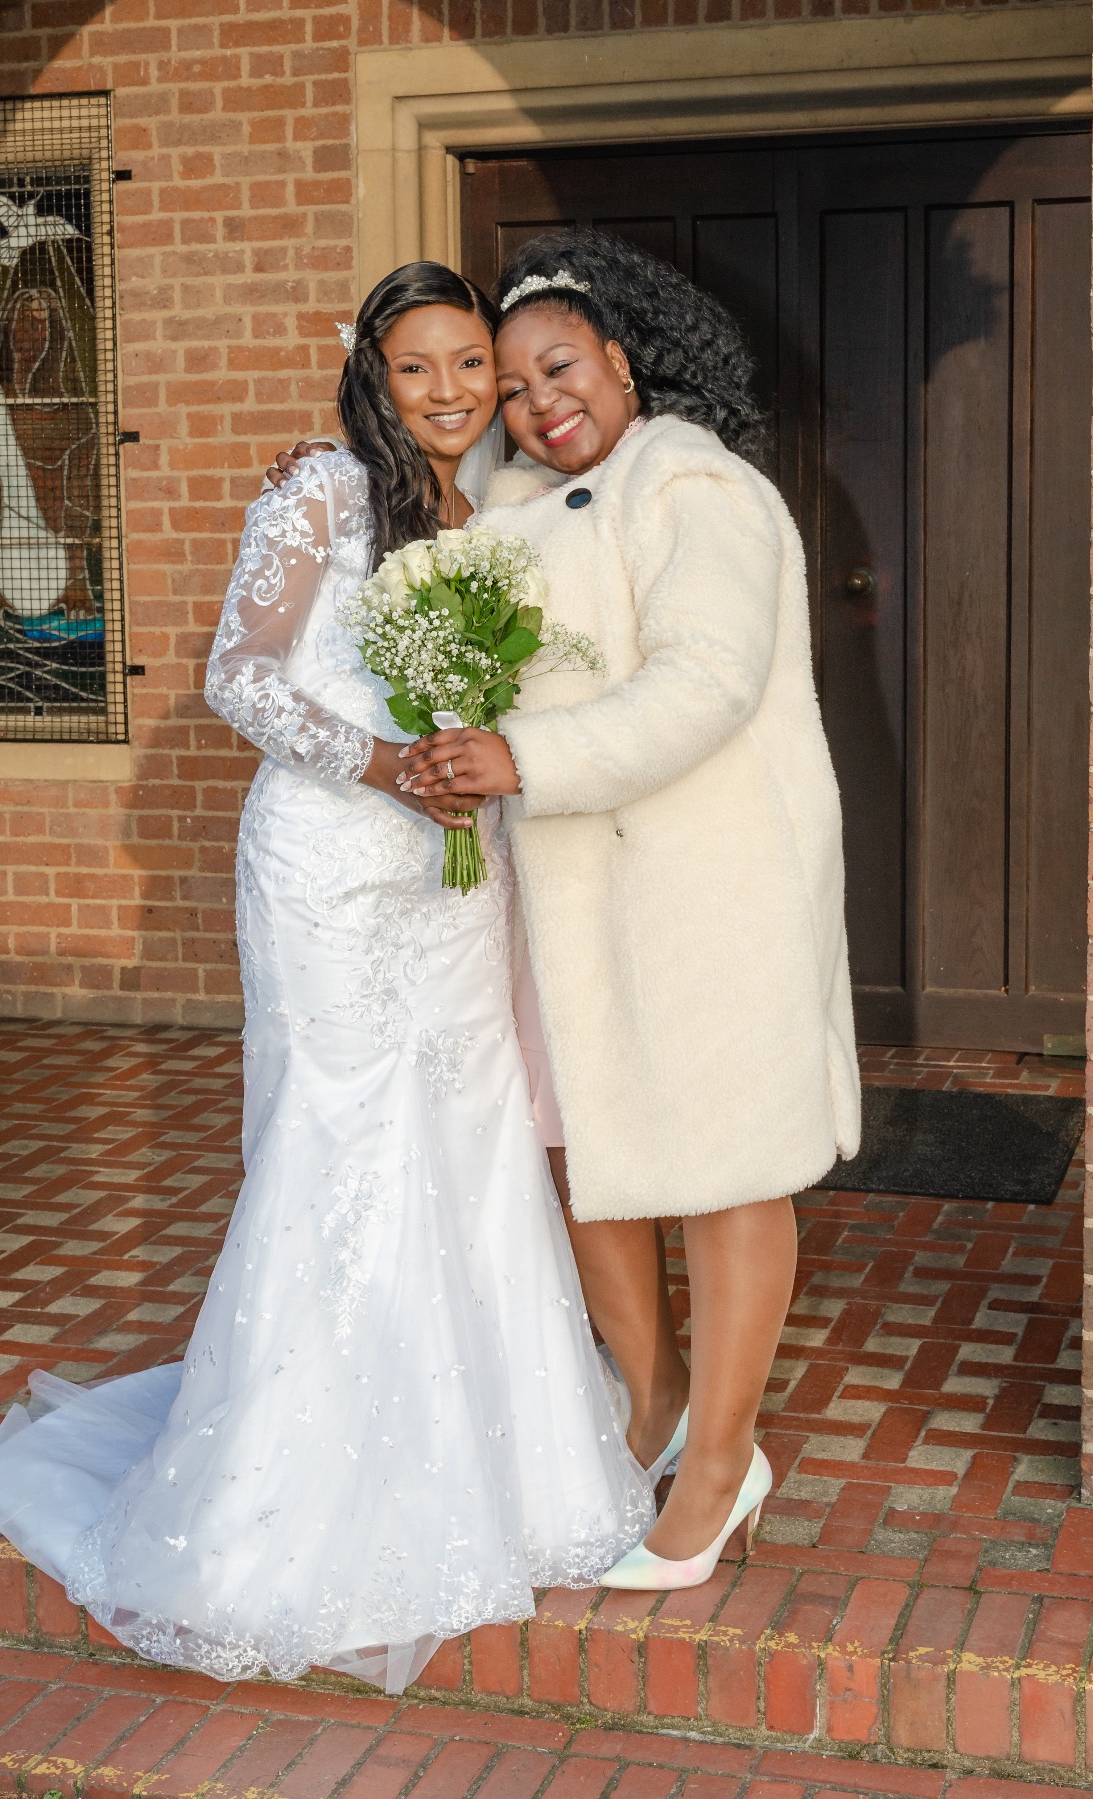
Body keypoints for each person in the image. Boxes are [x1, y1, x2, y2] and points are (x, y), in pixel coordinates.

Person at [0, 261, 651, 1693]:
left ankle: (496, 1469)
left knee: (468, 1139)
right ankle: (287, 1495)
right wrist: (382, 763)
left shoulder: (506, 503)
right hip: (327, 873)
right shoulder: (323, 491)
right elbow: (241, 673)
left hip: (454, 881)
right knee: (337, 1144)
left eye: (471, 363)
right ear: (372, 376)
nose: (452, 392)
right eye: (418, 367)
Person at [399, 230, 861, 1590]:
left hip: (712, 888)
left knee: (725, 1168)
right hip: (574, 897)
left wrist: (522, 759)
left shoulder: (696, 487)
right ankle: (654, 1415)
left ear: (621, 356)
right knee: (590, 1156)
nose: (541, 403)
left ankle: (720, 1466)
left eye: (561, 368)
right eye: (514, 389)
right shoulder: (511, 512)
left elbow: (706, 682)